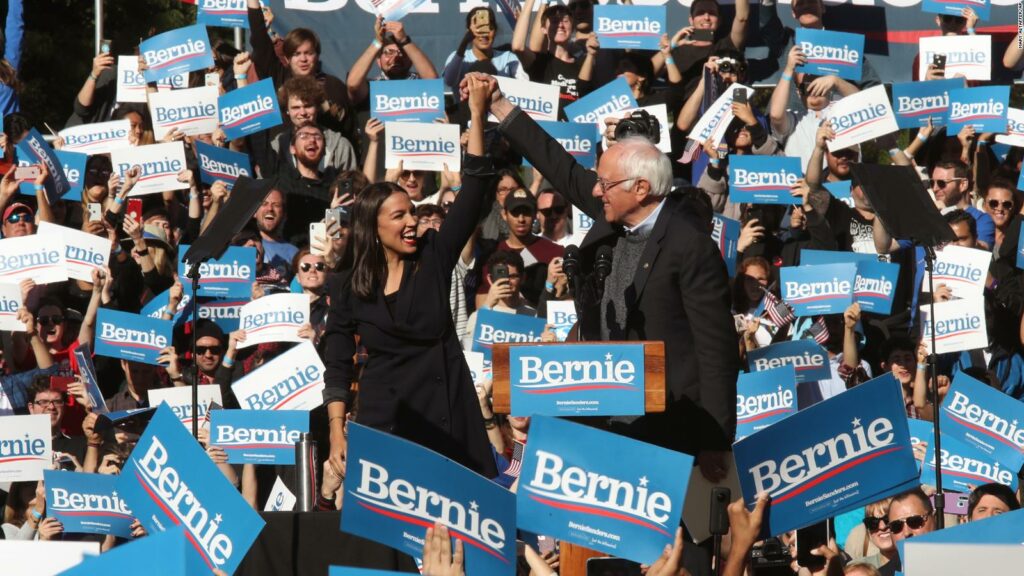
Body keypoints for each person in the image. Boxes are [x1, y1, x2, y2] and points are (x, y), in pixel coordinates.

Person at [476, 72, 739, 481]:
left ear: (640, 188)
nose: (596, 192)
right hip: (604, 419)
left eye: (606, 184)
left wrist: (715, 440)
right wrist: (499, 106)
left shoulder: (690, 246)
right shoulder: (611, 214)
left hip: (669, 428)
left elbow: (716, 350)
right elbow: (558, 164)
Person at [323, 75, 498, 479]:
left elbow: (473, 193)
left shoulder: (434, 254)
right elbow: (337, 361)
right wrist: (337, 431)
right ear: (373, 226)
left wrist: (475, 114)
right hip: (385, 425)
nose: (411, 223)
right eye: (398, 215)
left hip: (447, 420)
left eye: (413, 213)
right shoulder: (348, 284)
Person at [345, 16, 438, 105]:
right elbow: (353, 84)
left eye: (402, 53)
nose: (395, 58)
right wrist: (378, 42)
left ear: (411, 60)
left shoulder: (419, 83)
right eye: (389, 52)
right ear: (378, 61)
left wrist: (404, 40)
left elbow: (433, 82)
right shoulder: (372, 88)